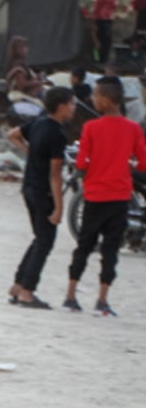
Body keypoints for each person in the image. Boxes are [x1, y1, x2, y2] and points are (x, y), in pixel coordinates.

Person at [62, 76, 146, 316]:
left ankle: (71, 295)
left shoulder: (91, 128)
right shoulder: (133, 129)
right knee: (111, 250)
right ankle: (102, 301)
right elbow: (143, 162)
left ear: (107, 101)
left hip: (95, 195)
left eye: (97, 97)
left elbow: (81, 161)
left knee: (84, 247)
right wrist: (125, 166)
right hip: (119, 197)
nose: (94, 101)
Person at [5, 86, 77, 309]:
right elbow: (55, 175)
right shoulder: (57, 133)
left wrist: (32, 153)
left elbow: (13, 134)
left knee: (39, 238)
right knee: (45, 242)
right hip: (43, 191)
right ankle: (27, 291)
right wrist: (58, 207)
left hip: (29, 187)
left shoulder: (39, 122)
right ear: (62, 106)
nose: (74, 108)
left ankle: (18, 285)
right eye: (72, 104)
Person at [5, 35, 45, 116]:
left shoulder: (22, 64)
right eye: (24, 47)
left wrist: (37, 77)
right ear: (18, 49)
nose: (27, 50)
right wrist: (38, 82)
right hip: (26, 95)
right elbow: (22, 85)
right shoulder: (17, 66)